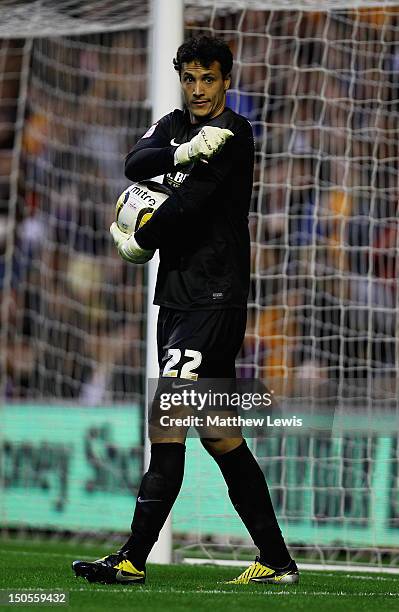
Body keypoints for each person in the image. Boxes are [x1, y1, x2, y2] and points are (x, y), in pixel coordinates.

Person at [72, 35, 299, 586]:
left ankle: (131, 558)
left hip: (213, 296)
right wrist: (177, 153)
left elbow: (189, 208)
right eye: (190, 77)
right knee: (219, 434)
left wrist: (139, 236)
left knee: (166, 426)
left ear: (226, 80)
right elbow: (135, 163)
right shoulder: (173, 126)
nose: (198, 89)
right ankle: (275, 559)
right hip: (176, 298)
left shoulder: (235, 133)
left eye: (209, 78)